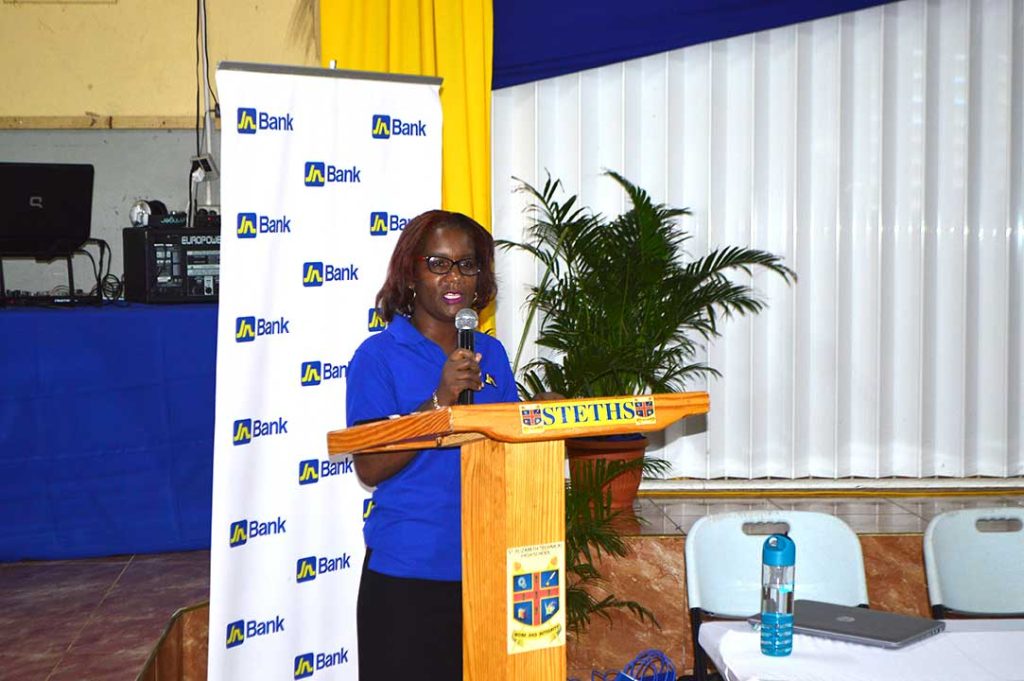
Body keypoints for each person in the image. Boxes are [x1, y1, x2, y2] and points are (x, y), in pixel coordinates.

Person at [345, 209, 519, 680]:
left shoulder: (493, 354)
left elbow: (512, 452)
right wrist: (439, 401)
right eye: (438, 264)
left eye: (467, 264)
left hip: (487, 572)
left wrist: (541, 418)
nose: (455, 277)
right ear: (410, 273)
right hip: (408, 575)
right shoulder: (377, 357)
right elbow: (369, 467)